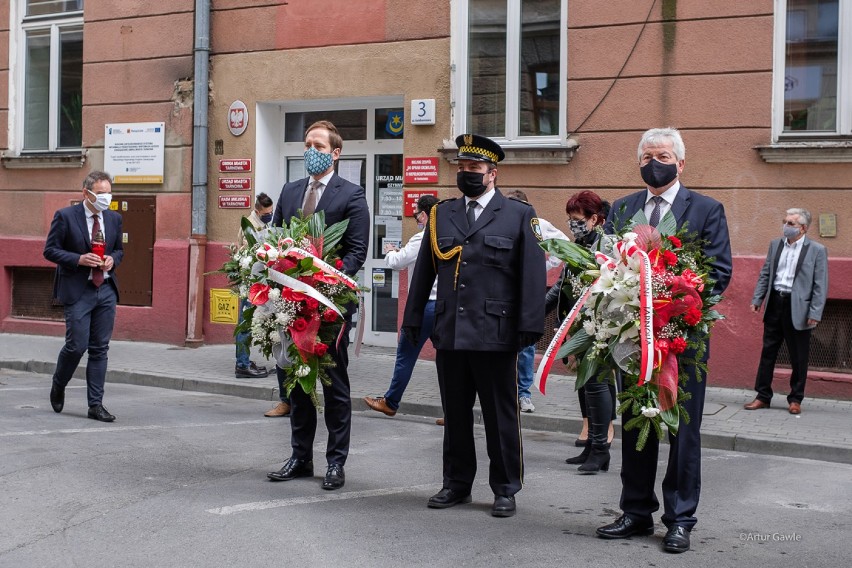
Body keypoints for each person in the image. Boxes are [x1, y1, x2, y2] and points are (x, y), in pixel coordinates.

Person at [596, 128, 732, 553]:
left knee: (682, 431)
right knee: (639, 423)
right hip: (633, 340)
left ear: (681, 163)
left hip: (680, 341)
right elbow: (606, 265)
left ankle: (680, 518)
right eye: (648, 155)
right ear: (639, 162)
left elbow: (718, 271)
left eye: (664, 154)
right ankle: (636, 511)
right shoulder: (622, 208)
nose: (656, 161)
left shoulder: (707, 209)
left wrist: (674, 306)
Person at [402, 134, 546, 518]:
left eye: (475, 169)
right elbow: (424, 273)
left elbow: (531, 274)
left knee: (502, 415)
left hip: (497, 334)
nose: (467, 174)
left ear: (492, 174)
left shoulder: (518, 215)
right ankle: (456, 483)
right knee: (456, 414)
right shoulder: (441, 214)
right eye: (462, 168)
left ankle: (505, 488)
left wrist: (530, 324)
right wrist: (413, 318)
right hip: (451, 331)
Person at [266, 120, 370, 491]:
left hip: (329, 306)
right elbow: (277, 240)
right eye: (307, 143)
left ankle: (335, 462)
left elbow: (357, 251)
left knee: (332, 383)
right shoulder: (290, 191)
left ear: (335, 153)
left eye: (320, 146)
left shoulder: (351, 194)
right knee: (296, 384)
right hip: (291, 304)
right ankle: (300, 456)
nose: (311, 150)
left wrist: (327, 281)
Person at [44, 171, 124, 422]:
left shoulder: (114, 218)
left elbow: (119, 250)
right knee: (76, 346)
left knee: (100, 348)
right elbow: (50, 250)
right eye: (101, 193)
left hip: (106, 289)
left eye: (109, 193)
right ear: (86, 193)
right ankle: (59, 384)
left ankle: (95, 405)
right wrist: (78, 259)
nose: (106, 198)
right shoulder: (66, 217)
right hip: (78, 289)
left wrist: (113, 260)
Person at [551, 191, 617, 473]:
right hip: (581, 326)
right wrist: (533, 310)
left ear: (595, 218)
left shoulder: (608, 245)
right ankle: (592, 445)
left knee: (598, 384)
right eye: (569, 220)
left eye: (576, 220)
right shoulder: (579, 245)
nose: (572, 225)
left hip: (601, 327)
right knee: (588, 386)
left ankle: (601, 449)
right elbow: (559, 287)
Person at [745, 208, 828, 415]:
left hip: (799, 307)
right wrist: (758, 298)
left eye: (791, 223)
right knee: (768, 353)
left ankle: (795, 398)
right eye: (785, 222)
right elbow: (766, 272)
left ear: (803, 228)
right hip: (775, 302)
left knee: (798, 356)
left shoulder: (816, 250)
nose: (786, 226)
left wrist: (815, 312)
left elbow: (820, 284)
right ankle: (763, 396)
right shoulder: (775, 245)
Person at [363, 194, 440, 418]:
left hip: (424, 307)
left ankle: (391, 402)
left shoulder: (422, 238)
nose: (415, 217)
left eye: (416, 213)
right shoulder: (449, 237)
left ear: (424, 215)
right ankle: (455, 412)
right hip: (445, 307)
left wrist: (390, 252)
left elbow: (398, 262)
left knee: (406, 355)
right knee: (447, 362)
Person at [504, 189, 567, 414]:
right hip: (503, 292)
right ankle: (504, 393)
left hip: (528, 292)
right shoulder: (500, 222)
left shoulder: (537, 224)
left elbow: (564, 243)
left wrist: (544, 267)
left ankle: (524, 394)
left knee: (527, 345)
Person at [235, 192, 273, 379]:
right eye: (267, 212)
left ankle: (244, 360)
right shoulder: (250, 226)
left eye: (271, 212)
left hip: (257, 281)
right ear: (258, 211)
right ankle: (242, 365)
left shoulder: (261, 223)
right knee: (245, 322)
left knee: (249, 322)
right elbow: (248, 253)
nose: (269, 215)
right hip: (251, 282)